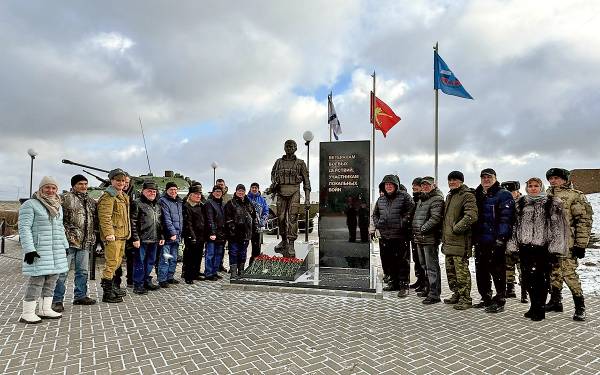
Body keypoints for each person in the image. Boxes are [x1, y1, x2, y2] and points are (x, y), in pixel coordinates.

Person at [507, 177, 569, 321]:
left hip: (543, 248)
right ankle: (533, 306)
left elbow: (558, 228)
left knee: (541, 280)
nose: (533, 188)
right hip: (525, 247)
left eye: (536, 186)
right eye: (530, 186)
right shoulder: (521, 203)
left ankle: (539, 309)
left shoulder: (552, 203)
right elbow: (515, 226)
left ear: (541, 187)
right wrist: (513, 245)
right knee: (528, 279)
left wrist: (555, 249)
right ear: (526, 188)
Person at [18, 176, 69, 323]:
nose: (50, 190)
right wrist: (29, 249)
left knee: (52, 280)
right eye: (47, 187)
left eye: (53, 188)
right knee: (37, 280)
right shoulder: (30, 204)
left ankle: (45, 309)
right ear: (41, 189)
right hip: (39, 249)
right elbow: (24, 228)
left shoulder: (58, 205)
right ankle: (27, 313)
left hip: (56, 249)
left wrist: (64, 245)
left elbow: (60, 228)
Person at [545, 168, 593, 321]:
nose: (553, 181)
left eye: (556, 178)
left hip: (568, 243)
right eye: (551, 178)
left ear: (565, 179)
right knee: (554, 273)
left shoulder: (576, 196)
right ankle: (555, 301)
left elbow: (584, 221)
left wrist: (581, 244)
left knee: (569, 274)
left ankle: (580, 306)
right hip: (549, 243)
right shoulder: (546, 195)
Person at [52, 174, 97, 313]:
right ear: (73, 186)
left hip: (85, 242)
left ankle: (80, 296)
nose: (83, 186)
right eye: (80, 184)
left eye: (85, 184)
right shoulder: (65, 198)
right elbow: (55, 214)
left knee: (82, 271)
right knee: (62, 272)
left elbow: (94, 219)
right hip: (68, 242)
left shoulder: (90, 201)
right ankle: (57, 300)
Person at [472, 168, 515, 313]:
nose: (486, 179)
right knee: (481, 271)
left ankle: (500, 300)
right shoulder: (477, 194)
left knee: (497, 271)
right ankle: (486, 297)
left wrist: (501, 238)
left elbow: (506, 218)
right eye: (483, 177)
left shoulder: (503, 195)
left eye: (489, 177)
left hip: (495, 240)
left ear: (495, 178)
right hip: (480, 240)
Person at [266, 140, 311, 258]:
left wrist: (307, 199)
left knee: (292, 218)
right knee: (280, 218)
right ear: (284, 148)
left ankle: (291, 243)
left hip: (294, 192)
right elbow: (272, 176)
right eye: (287, 146)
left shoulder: (301, 163)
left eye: (292, 146)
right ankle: (283, 240)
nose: (289, 148)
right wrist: (274, 185)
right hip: (281, 192)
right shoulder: (278, 162)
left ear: (296, 148)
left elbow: (307, 182)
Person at [372, 175, 414, 297]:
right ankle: (394, 282)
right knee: (390, 261)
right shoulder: (381, 200)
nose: (388, 186)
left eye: (391, 184)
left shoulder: (404, 196)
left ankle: (403, 285)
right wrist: (378, 223)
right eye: (386, 185)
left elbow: (411, 211)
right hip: (386, 235)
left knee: (402, 262)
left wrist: (403, 222)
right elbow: (375, 214)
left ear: (396, 185)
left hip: (400, 236)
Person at [441, 171, 478, 310]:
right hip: (449, 242)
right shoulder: (450, 196)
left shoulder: (467, 195)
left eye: (455, 180)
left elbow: (471, 215)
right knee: (451, 272)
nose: (452, 182)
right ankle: (456, 294)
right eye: (450, 180)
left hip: (460, 242)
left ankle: (466, 298)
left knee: (461, 272)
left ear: (461, 181)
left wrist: (456, 228)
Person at [97, 168, 131, 303]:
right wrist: (109, 234)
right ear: (112, 181)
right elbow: (105, 217)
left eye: (123, 181)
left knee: (117, 263)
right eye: (118, 180)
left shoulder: (123, 196)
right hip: (113, 236)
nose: (121, 183)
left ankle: (113, 288)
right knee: (111, 263)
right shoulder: (108, 196)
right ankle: (107, 293)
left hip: (122, 235)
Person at [412, 176, 445, 304]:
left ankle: (434, 293)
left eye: (428, 185)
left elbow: (435, 218)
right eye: (423, 184)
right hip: (420, 238)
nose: (425, 186)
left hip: (429, 238)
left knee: (432, 267)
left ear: (433, 185)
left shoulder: (436, 199)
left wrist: (422, 228)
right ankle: (428, 288)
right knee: (424, 265)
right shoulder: (422, 198)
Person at [130, 181, 164, 294]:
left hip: (154, 238)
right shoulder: (137, 203)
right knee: (139, 262)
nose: (152, 193)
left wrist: (162, 236)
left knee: (150, 261)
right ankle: (138, 284)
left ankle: (146, 280)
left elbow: (160, 222)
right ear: (143, 191)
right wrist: (135, 238)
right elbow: (133, 221)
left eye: (154, 191)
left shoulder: (157, 205)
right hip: (142, 239)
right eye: (149, 191)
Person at [225, 184, 258, 278]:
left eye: (242, 191)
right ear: (236, 191)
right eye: (239, 191)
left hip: (246, 234)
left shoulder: (249, 203)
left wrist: (254, 228)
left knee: (243, 253)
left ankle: (241, 270)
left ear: (244, 192)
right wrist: (232, 229)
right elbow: (228, 218)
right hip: (234, 234)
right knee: (233, 252)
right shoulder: (230, 203)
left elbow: (254, 217)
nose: (240, 192)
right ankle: (234, 272)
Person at [501, 180, 526, 302]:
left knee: (523, 268)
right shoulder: (503, 202)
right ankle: (510, 289)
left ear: (517, 191)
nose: (510, 194)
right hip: (508, 239)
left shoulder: (525, 203)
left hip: (522, 240)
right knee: (508, 266)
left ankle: (525, 292)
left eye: (512, 191)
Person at [158, 182, 183, 287]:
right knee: (166, 258)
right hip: (169, 235)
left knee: (173, 258)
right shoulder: (163, 201)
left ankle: (170, 277)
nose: (173, 191)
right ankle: (162, 279)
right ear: (166, 190)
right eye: (171, 189)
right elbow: (166, 219)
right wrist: (172, 232)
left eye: (175, 189)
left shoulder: (178, 201)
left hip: (177, 235)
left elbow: (180, 218)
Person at [113, 174, 134, 294]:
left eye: (127, 182)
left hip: (129, 232)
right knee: (116, 261)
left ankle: (131, 280)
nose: (125, 184)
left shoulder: (131, 195)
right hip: (117, 233)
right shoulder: (114, 195)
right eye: (122, 181)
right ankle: (116, 284)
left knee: (131, 258)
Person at [182, 184, 206, 284]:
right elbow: (188, 223)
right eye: (196, 194)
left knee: (198, 256)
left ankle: (196, 273)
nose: (198, 196)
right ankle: (188, 275)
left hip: (201, 235)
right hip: (191, 235)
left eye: (199, 194)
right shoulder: (187, 206)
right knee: (189, 256)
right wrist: (192, 236)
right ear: (190, 195)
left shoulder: (201, 206)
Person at [204, 185, 226, 281]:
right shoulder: (209, 203)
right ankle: (208, 273)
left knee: (218, 254)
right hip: (212, 233)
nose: (218, 193)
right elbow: (210, 219)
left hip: (221, 233)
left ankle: (214, 271)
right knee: (210, 254)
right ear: (213, 193)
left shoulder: (222, 204)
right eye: (216, 191)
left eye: (220, 192)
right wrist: (212, 232)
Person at [409, 177, 427, 291]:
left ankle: (425, 282)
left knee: (423, 261)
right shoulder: (413, 199)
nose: (414, 187)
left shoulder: (423, 199)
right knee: (416, 259)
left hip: (422, 234)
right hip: (413, 234)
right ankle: (419, 280)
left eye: (416, 185)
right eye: (413, 185)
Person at [247, 182, 269, 265]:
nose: (254, 189)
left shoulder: (262, 200)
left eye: (256, 187)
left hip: (257, 227)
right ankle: (238, 266)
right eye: (252, 187)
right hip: (247, 227)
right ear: (250, 188)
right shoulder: (246, 198)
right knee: (242, 247)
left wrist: (262, 222)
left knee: (256, 247)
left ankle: (254, 264)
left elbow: (266, 211)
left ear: (258, 189)